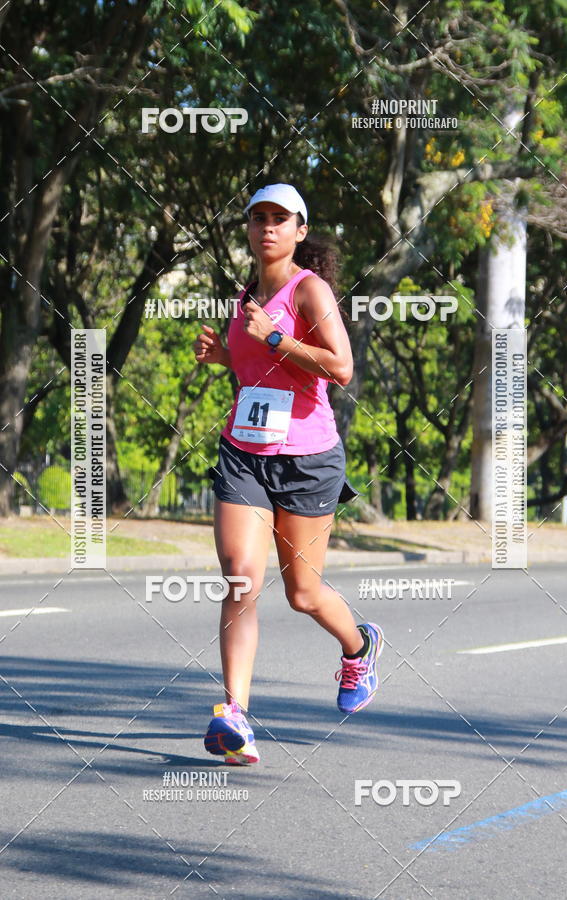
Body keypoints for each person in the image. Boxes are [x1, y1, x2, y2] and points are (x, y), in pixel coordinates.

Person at [192, 183, 383, 765]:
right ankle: (235, 718)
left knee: (302, 593)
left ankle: (359, 646)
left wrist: (275, 335)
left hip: (306, 459)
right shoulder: (244, 295)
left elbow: (341, 367)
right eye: (258, 218)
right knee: (241, 579)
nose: (267, 228)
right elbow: (259, 368)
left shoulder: (310, 290)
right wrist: (226, 356)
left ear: (300, 230)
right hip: (244, 453)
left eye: (281, 219)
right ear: (247, 229)